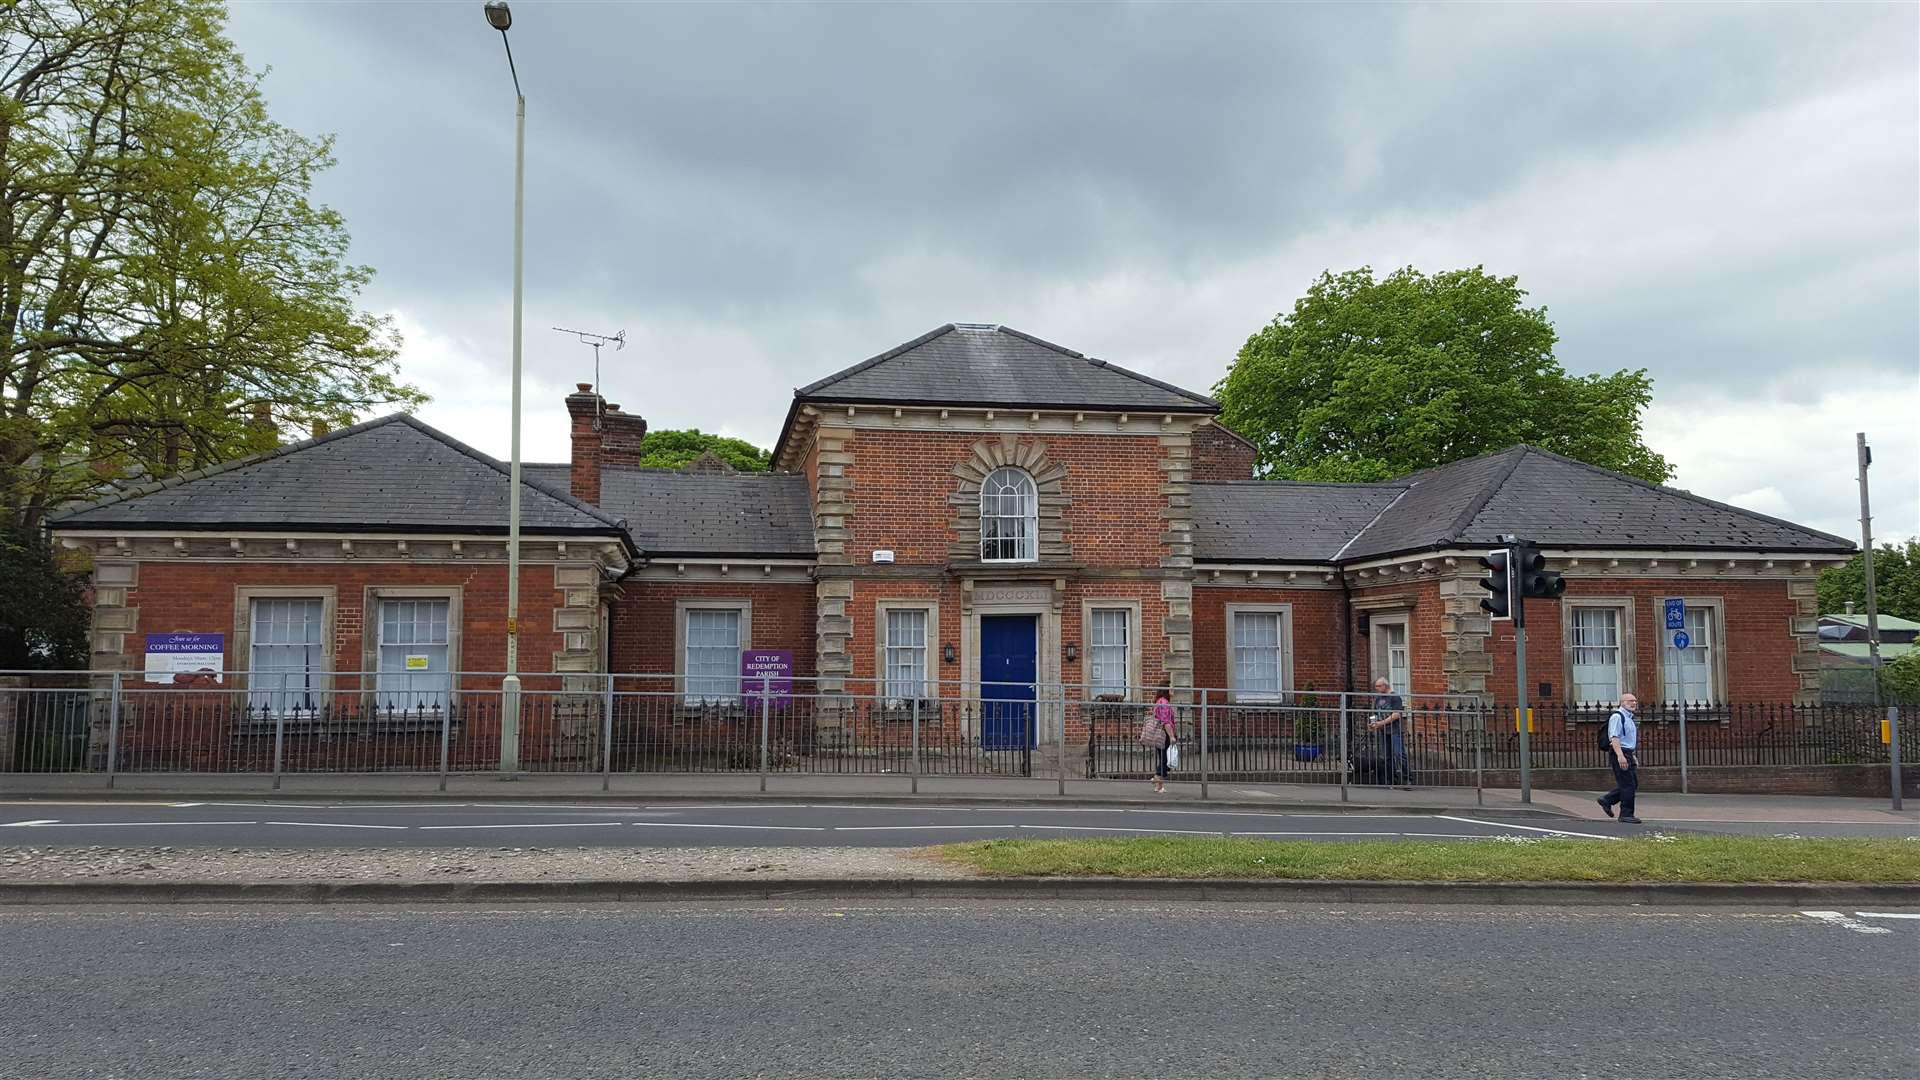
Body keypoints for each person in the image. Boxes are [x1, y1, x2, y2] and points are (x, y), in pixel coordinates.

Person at [1598, 692, 1643, 824]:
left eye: (1635, 701)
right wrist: (1620, 756)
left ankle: (1607, 800)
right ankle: (1626, 814)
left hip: (1627, 752)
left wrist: (1632, 755)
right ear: (1622, 703)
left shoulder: (1629, 718)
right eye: (1630, 701)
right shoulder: (1618, 717)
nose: (1633, 703)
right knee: (1628, 784)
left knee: (1632, 783)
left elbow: (1626, 739)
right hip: (1620, 752)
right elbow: (1615, 737)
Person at [1365, 676, 1409, 788]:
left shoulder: (1395, 698)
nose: (1377, 689)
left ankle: (1407, 780)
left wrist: (1381, 723)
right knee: (1386, 756)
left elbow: (1396, 714)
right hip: (1383, 731)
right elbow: (1375, 713)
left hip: (1395, 730)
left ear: (1385, 685)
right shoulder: (1378, 699)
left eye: (1378, 686)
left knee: (1399, 754)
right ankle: (1391, 780)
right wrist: (1373, 724)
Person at [1139, 686, 1177, 794]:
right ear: (1166, 691)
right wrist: (1171, 736)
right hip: (1163, 734)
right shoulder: (1164, 703)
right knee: (1165, 760)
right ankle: (1156, 777)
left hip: (1158, 735)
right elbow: (1165, 722)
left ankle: (1159, 787)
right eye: (1170, 688)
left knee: (1163, 758)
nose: (1172, 691)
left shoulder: (1159, 701)